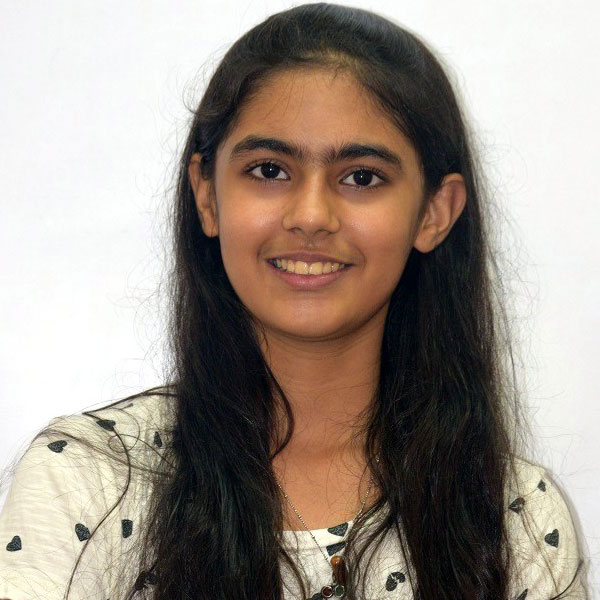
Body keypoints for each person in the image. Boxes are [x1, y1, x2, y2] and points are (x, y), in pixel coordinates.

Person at [0, 3, 588, 599]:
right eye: (268, 170)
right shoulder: (89, 482)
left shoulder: (516, 520)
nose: (310, 215)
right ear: (207, 195)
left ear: (435, 213)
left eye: (361, 177)